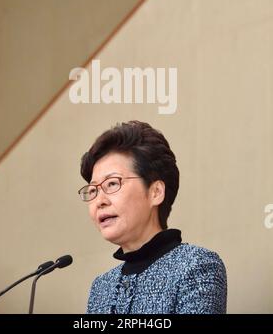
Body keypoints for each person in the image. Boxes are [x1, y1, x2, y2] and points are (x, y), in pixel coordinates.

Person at [78, 120, 227, 314]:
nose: (99, 201)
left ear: (156, 192)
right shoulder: (101, 287)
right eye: (92, 190)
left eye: (112, 184)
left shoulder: (197, 266)